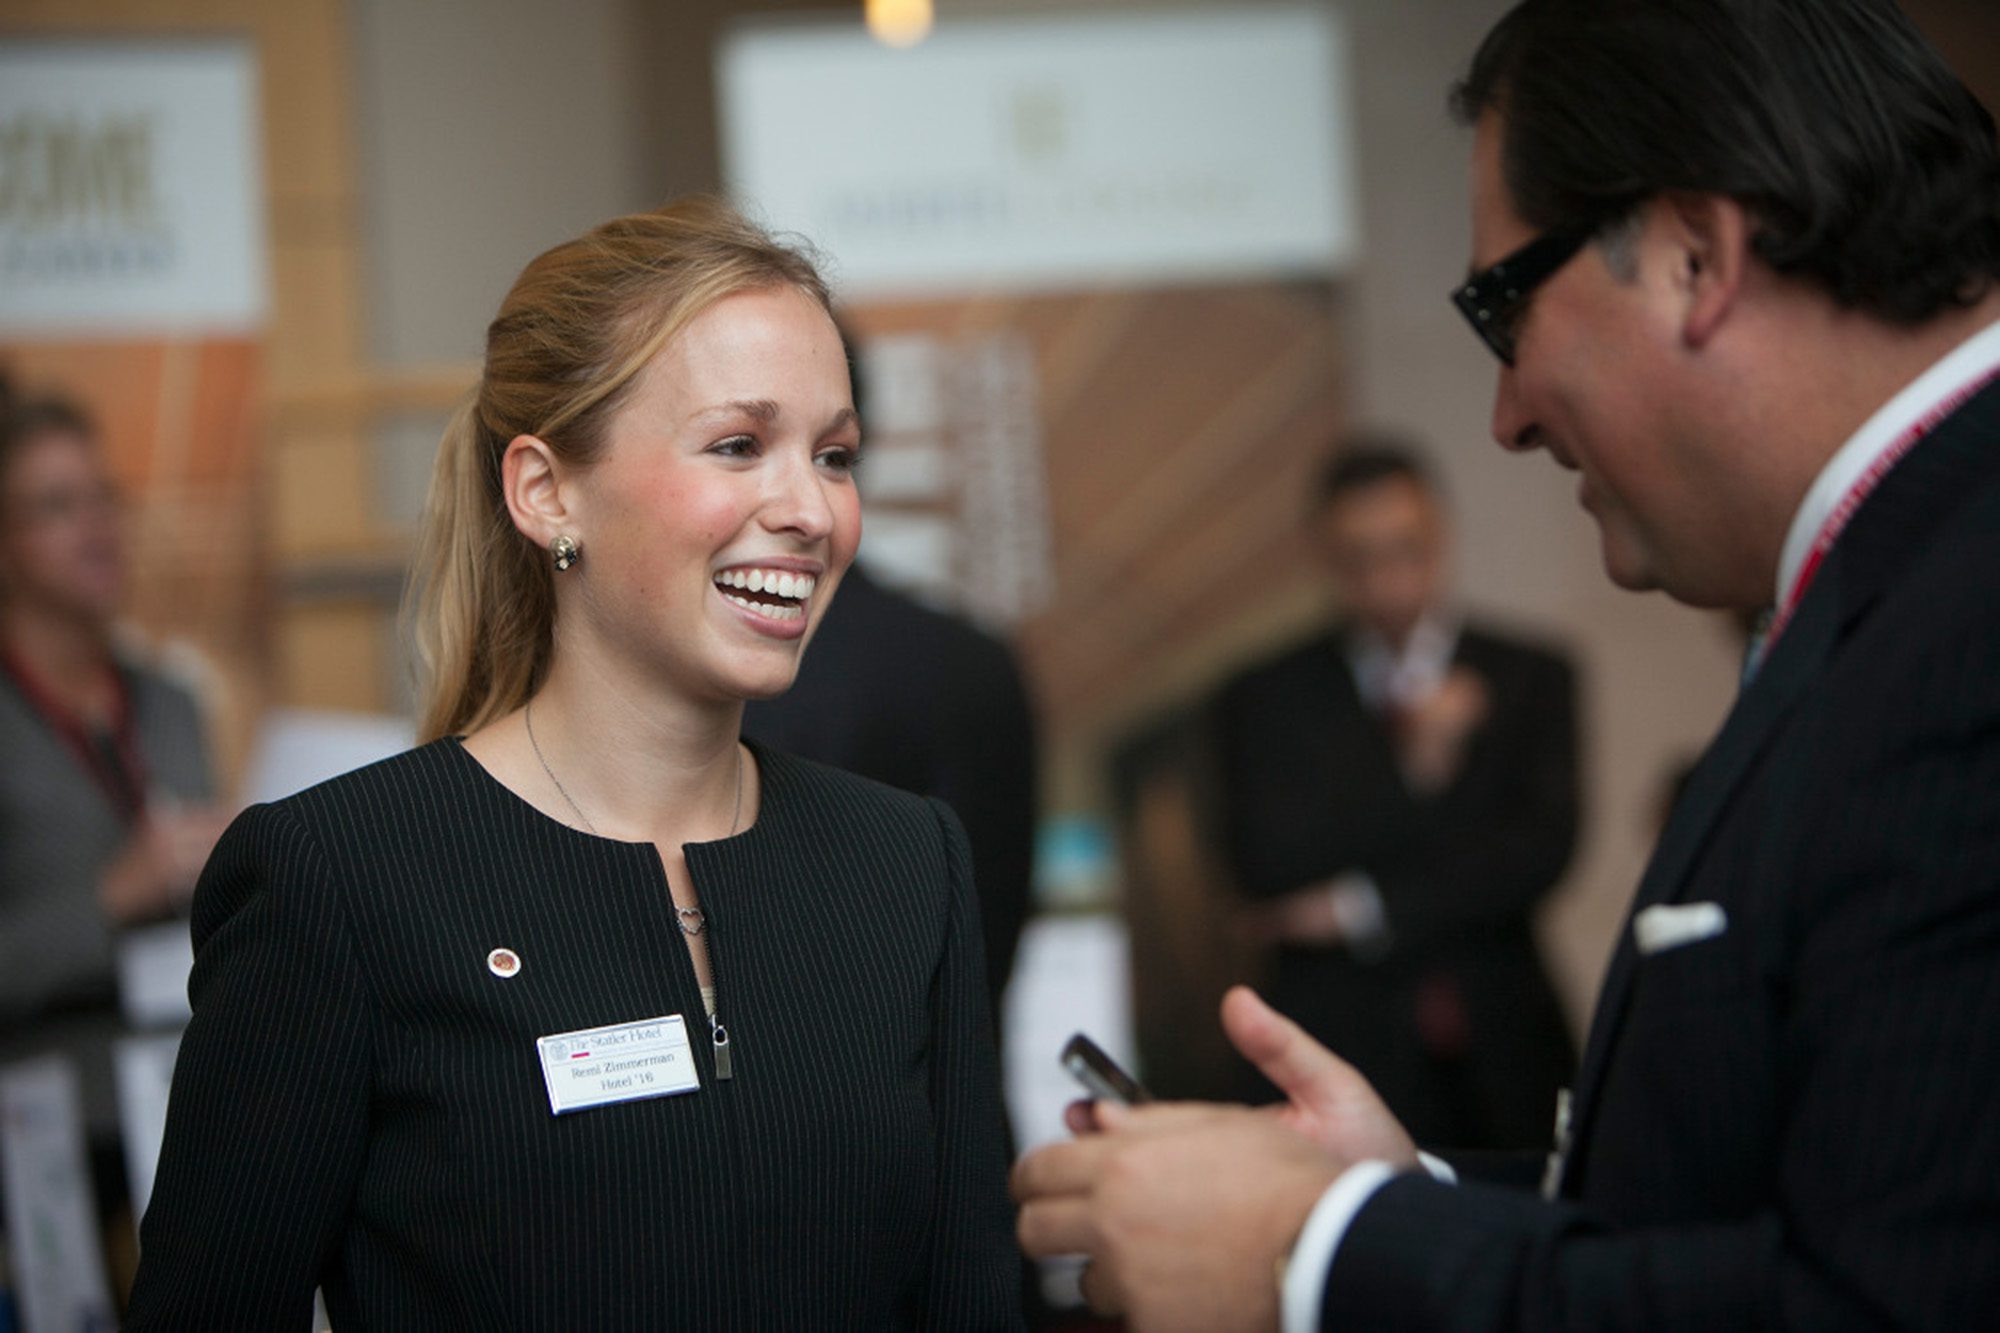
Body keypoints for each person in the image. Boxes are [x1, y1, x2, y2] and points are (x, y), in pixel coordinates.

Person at [1013, 1, 2000, 1328]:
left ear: (1694, 257)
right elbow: (1779, 1191)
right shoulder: (1900, 584)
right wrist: (1397, 1191)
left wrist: (1321, 1253)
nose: (1509, 411)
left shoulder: (1961, 620)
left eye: (1502, 307)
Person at [126, 199, 1022, 1329]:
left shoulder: (905, 867)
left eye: (832, 455)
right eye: (739, 444)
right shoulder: (342, 880)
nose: (809, 510)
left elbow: (968, 1304)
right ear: (546, 492)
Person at [1210, 439, 1576, 1148]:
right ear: (1325, 556)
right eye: (1360, 558)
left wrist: (1355, 907)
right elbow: (1268, 860)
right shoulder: (1263, 695)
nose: (1388, 580)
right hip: (1341, 1037)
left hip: (1505, 1040)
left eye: (1407, 548)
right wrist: (1412, 763)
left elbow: (1540, 852)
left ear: (1440, 535)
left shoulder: (1530, 673)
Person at [0, 386, 225, 1143]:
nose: (96, 526)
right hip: (43, 1130)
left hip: (193, 1102)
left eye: (105, 498)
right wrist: (112, 896)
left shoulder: (171, 701)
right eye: (59, 506)